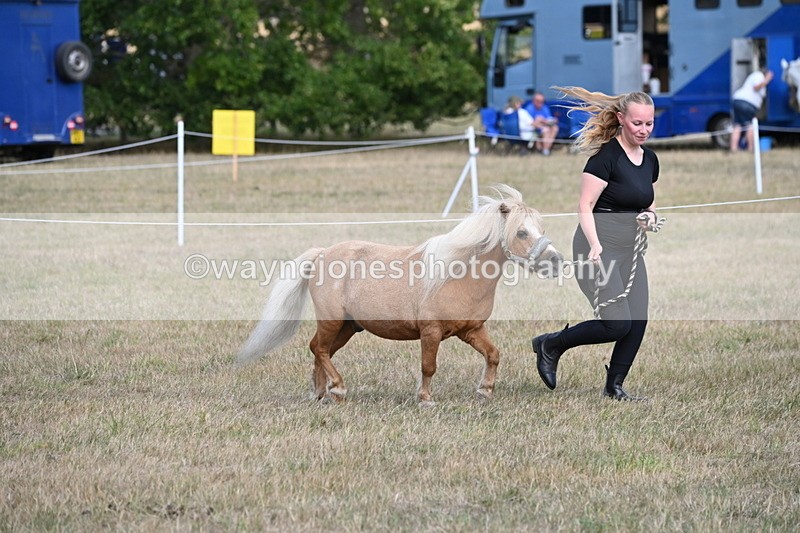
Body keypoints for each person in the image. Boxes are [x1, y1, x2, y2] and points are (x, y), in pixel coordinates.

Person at [531, 86, 660, 401]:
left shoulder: (650, 159)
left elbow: (648, 202)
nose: (643, 130)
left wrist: (650, 219)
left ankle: (614, 387)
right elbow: (584, 206)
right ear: (621, 119)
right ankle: (551, 344)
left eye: (649, 124)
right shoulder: (605, 159)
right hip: (596, 250)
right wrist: (595, 244)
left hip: (629, 250)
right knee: (616, 324)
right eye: (637, 124)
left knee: (638, 319)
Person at [730, 66, 774, 152]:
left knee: (737, 125)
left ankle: (734, 148)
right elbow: (756, 87)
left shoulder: (754, 75)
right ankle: (750, 148)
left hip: (737, 100)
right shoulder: (759, 76)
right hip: (747, 103)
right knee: (750, 125)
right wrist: (767, 80)